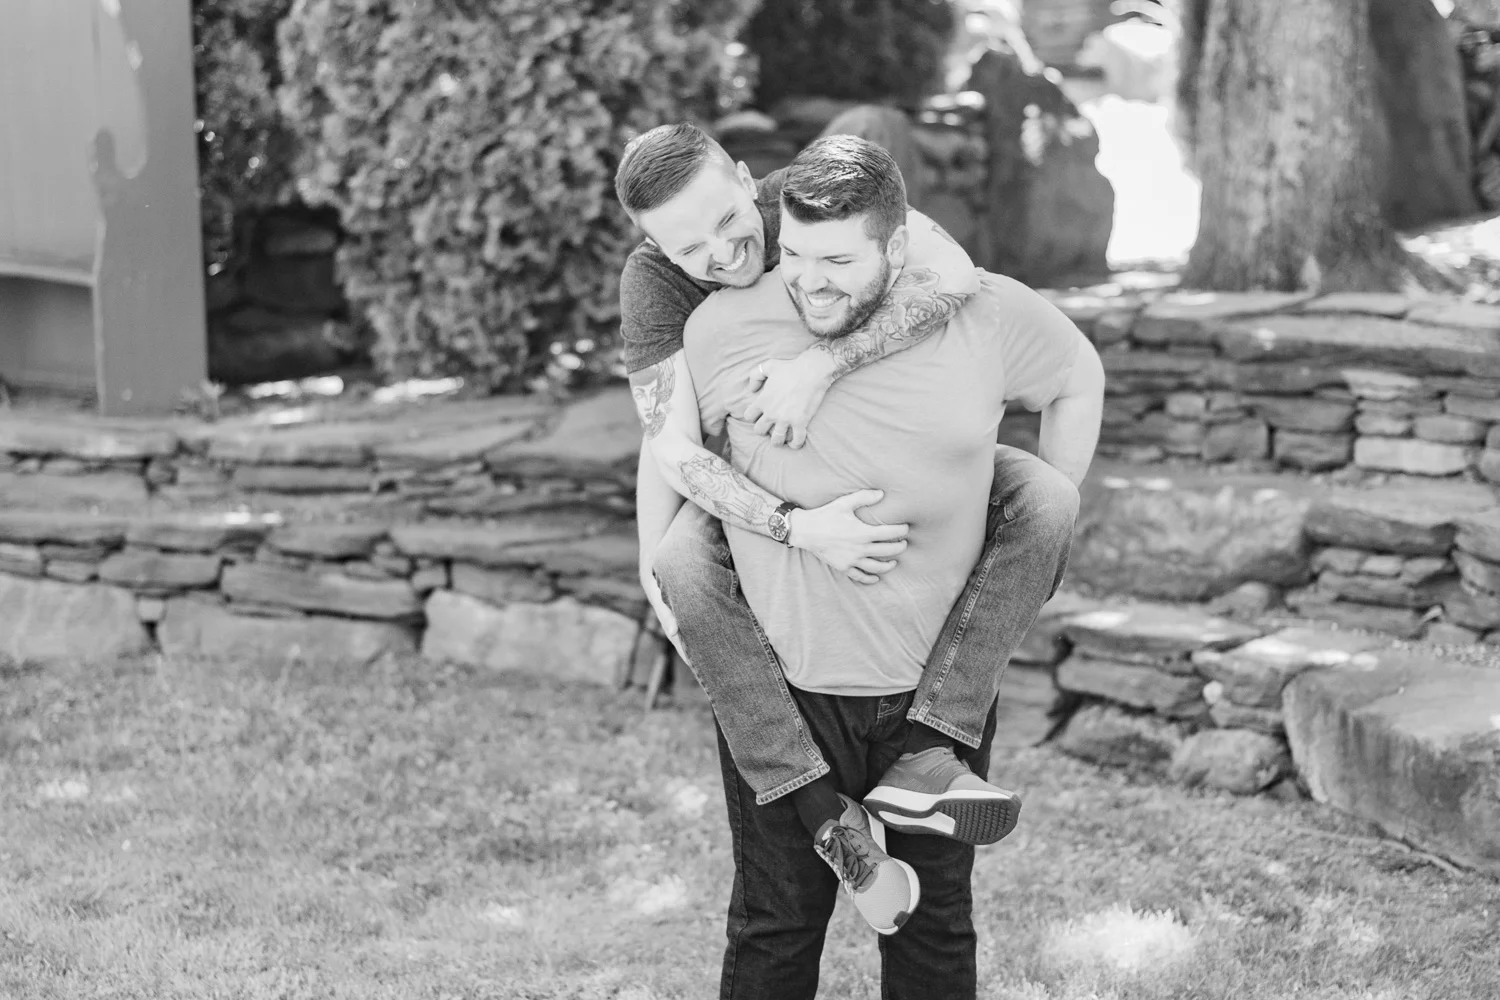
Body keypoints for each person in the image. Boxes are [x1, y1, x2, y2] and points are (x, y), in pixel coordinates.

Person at [616, 123, 1093, 921]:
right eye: (690, 247)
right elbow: (668, 443)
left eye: (728, 222)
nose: (723, 254)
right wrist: (791, 529)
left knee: (1046, 500)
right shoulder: (656, 286)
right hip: (750, 472)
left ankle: (928, 752)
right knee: (683, 570)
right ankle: (824, 817)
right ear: (656, 246)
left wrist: (820, 366)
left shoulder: (811, 203)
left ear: (748, 180)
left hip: (901, 452)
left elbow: (950, 274)